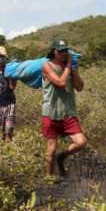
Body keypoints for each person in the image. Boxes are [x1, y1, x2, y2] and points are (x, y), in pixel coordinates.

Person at [41, 39, 87, 177]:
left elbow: (79, 87)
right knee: (51, 149)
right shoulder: (47, 66)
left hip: (68, 113)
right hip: (51, 113)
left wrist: (75, 69)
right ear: (54, 52)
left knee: (81, 142)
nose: (63, 53)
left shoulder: (70, 68)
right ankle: (49, 179)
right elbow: (60, 83)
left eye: (65, 50)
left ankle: (62, 157)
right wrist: (68, 64)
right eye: (60, 51)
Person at [0, 46, 17, 142]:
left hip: (9, 103)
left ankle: (8, 143)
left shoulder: (10, 70)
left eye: (2, 58)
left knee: (8, 130)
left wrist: (10, 75)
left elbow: (12, 87)